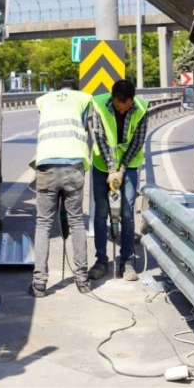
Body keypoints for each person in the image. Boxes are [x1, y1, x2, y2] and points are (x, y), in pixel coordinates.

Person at [28, 79, 93, 298]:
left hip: (46, 165)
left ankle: (39, 283)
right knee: (76, 221)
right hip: (73, 166)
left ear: (58, 89)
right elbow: (86, 128)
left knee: (43, 223)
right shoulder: (83, 99)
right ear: (75, 89)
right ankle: (82, 279)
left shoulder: (44, 100)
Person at [88, 79, 149, 282]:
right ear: (113, 99)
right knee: (101, 212)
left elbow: (137, 142)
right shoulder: (98, 105)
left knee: (127, 212)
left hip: (129, 165)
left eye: (126, 108)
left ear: (131, 101)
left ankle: (127, 261)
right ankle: (101, 261)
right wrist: (111, 168)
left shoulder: (141, 108)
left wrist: (121, 170)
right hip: (101, 165)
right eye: (118, 107)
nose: (122, 111)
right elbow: (100, 138)